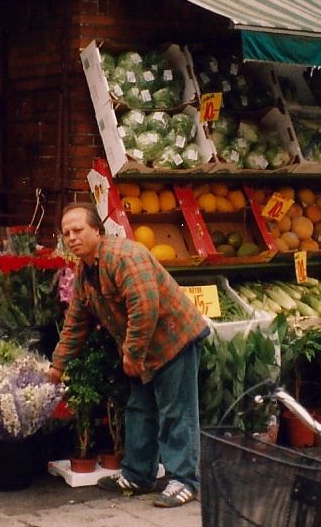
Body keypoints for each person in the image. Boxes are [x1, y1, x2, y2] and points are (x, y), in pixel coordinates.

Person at [49, 201, 208, 507]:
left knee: (176, 412)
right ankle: (138, 475)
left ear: (97, 230)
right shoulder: (85, 272)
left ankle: (185, 481)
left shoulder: (125, 257)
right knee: (139, 409)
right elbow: (76, 323)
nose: (71, 237)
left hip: (173, 338)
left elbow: (145, 306)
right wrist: (57, 366)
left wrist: (132, 353)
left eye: (78, 230)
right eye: (66, 232)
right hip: (144, 347)